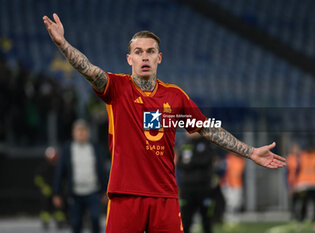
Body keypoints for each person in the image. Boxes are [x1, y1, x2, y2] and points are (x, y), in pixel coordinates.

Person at [43, 13, 286, 233]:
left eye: (150, 52)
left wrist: (250, 151)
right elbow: (89, 70)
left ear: (159, 58)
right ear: (129, 59)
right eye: (138, 52)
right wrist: (63, 45)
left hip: (164, 197)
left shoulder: (175, 96)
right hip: (126, 195)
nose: (144, 57)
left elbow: (208, 128)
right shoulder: (117, 87)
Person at [53, 119, 107, 233]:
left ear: (88, 132)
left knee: (95, 219)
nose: (81, 133)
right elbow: (60, 172)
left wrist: (105, 191)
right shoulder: (67, 149)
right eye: (78, 130)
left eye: (83, 130)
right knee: (76, 223)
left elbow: (102, 171)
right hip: (75, 193)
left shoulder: (95, 148)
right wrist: (56, 193)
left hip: (93, 192)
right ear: (73, 133)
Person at [177, 133, 220, 233]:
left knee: (207, 220)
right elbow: (179, 164)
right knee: (185, 220)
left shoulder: (207, 143)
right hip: (187, 188)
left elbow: (206, 161)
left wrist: (189, 162)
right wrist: (193, 162)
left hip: (204, 188)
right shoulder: (183, 144)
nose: (188, 131)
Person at [34, 146, 66, 229]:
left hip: (57, 191)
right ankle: (45, 222)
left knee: (59, 207)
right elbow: (38, 178)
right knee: (46, 207)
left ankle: (60, 222)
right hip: (46, 191)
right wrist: (43, 187)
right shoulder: (43, 166)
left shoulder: (59, 166)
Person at [294, 144, 315, 226]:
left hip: (314, 184)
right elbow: (297, 168)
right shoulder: (302, 156)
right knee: (304, 203)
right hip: (304, 184)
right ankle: (302, 220)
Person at [221, 152, 245, 224]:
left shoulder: (241, 160)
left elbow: (239, 173)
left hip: (237, 184)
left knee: (237, 202)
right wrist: (226, 183)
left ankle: (234, 216)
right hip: (228, 184)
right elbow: (224, 171)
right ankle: (228, 217)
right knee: (230, 202)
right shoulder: (229, 158)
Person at [286, 143, 301, 220]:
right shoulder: (289, 158)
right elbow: (287, 172)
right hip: (292, 182)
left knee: (300, 201)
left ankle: (300, 217)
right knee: (292, 201)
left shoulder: (300, 158)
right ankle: (293, 216)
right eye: (293, 148)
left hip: (300, 182)